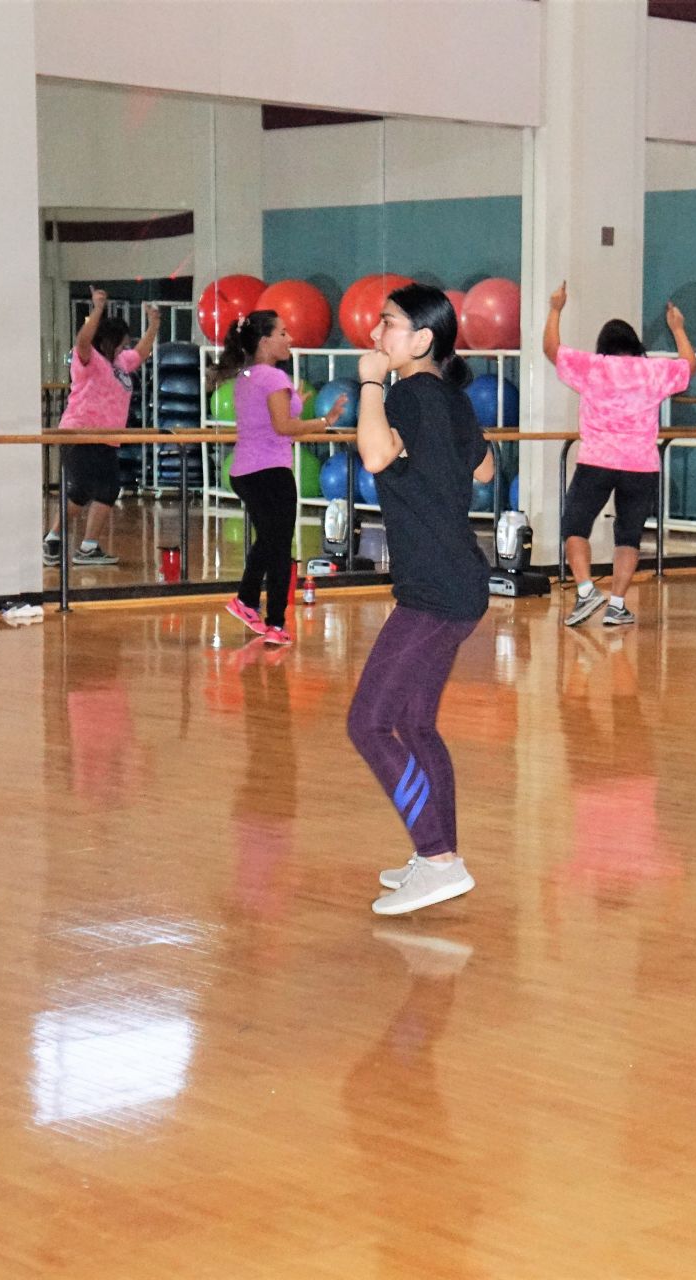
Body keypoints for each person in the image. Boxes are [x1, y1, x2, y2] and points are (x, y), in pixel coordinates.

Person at [349, 284, 495, 916]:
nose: (376, 332)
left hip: (434, 589)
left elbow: (376, 452)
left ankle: (437, 859)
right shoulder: (451, 396)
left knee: (370, 723)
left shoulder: (406, 393)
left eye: (388, 324)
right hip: (458, 580)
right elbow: (485, 470)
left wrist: (371, 385)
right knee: (415, 724)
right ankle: (436, 856)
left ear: (421, 340)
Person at [544, 282, 696, 627]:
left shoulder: (593, 367)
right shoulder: (653, 371)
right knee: (628, 535)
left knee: (575, 527)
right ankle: (616, 605)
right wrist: (678, 328)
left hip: (596, 461)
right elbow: (689, 366)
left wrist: (556, 309)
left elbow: (551, 349)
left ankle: (586, 592)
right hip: (641, 466)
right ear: (634, 345)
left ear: (604, 346)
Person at [210, 309, 342, 646]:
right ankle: (276, 623)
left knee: (268, 540)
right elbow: (284, 427)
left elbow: (269, 421)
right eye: (283, 333)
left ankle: (246, 600)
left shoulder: (248, 377)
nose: (290, 339)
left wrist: (297, 401)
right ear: (265, 340)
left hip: (247, 472)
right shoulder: (272, 378)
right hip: (270, 473)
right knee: (280, 547)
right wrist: (324, 421)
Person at [43, 289, 160, 567]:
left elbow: (142, 353)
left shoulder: (119, 363)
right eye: (122, 342)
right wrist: (97, 309)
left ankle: (88, 547)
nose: (125, 347)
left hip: (108, 438)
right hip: (80, 432)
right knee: (81, 489)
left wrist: (154, 325)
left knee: (109, 490)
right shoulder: (89, 358)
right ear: (109, 340)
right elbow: (82, 339)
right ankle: (53, 538)